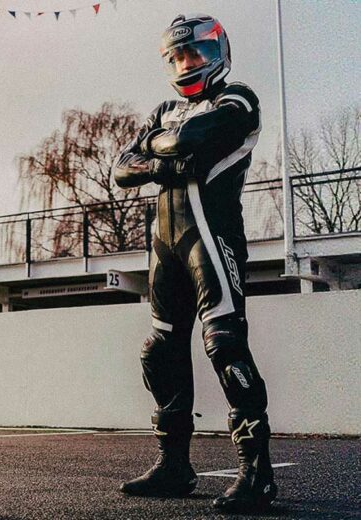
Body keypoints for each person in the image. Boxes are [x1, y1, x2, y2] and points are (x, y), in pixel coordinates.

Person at [111, 13, 277, 512]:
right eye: (178, 56)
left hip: (213, 236)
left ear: (217, 52)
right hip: (165, 246)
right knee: (158, 351)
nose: (187, 63)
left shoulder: (239, 99)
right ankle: (174, 467)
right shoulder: (164, 107)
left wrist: (158, 156)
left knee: (224, 344)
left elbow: (186, 139)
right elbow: (121, 169)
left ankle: (257, 474)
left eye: (196, 53)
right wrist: (170, 160)